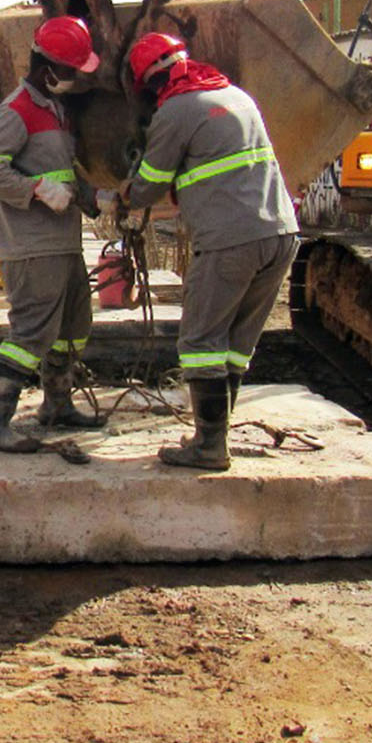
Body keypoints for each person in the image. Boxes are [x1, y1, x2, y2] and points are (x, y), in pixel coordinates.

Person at [118, 32, 298, 471]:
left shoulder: (176, 110)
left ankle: (210, 446)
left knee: (199, 342)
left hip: (229, 240)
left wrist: (122, 195)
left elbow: (149, 185)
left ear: (152, 81)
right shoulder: (237, 96)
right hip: (281, 233)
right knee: (235, 345)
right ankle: (215, 434)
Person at [0, 15, 110, 453]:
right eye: (70, 71)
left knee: (74, 327)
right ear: (50, 69)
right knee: (30, 334)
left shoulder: (58, 111)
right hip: (31, 248)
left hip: (63, 244)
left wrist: (92, 196)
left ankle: (57, 404)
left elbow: (63, 172)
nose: (74, 79)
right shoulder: (17, 111)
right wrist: (36, 190)